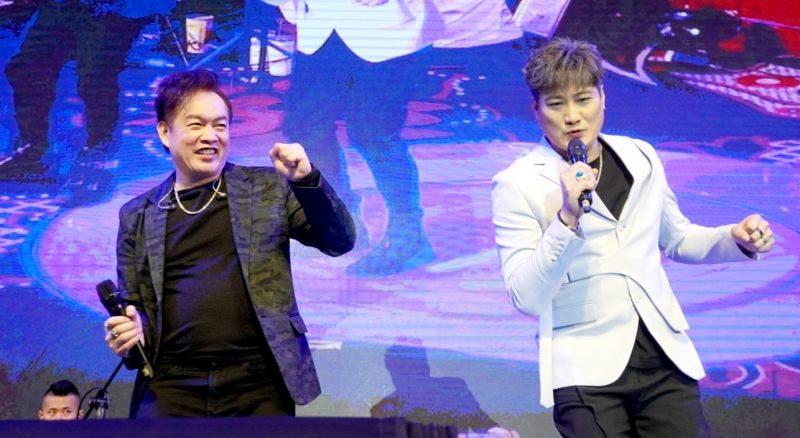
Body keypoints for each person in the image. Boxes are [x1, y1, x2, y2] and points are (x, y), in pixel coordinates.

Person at [491, 37, 775, 437]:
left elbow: (678, 239)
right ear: (535, 110)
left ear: (602, 97)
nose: (572, 116)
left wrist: (735, 238)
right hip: (586, 370)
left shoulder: (640, 157)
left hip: (662, 357)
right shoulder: (517, 183)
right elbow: (526, 296)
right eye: (556, 104)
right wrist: (567, 218)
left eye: (583, 99)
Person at [103, 69, 356, 418]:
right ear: (164, 131)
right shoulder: (138, 215)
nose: (210, 136)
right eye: (196, 125)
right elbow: (136, 314)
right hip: (172, 383)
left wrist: (307, 180)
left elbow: (339, 241)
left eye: (220, 126)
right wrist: (128, 335)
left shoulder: (267, 188)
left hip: (259, 381)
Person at [264, 0, 442, 276]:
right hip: (321, 28)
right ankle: (340, 220)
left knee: (373, 132)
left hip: (385, 30)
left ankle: (409, 235)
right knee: (307, 126)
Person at [1, 0, 172, 201]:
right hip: (66, 7)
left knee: (95, 75)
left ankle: (98, 153)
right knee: (27, 66)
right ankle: (34, 150)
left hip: (113, 8)